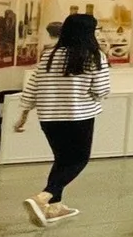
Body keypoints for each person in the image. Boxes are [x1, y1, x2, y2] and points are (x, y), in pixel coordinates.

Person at [13, 13, 111, 226]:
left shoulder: (49, 55)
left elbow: (33, 86)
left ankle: (54, 207)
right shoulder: (94, 56)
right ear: (89, 32)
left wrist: (23, 115)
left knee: (62, 160)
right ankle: (44, 197)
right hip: (79, 117)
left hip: (49, 118)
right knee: (79, 160)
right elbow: (102, 90)